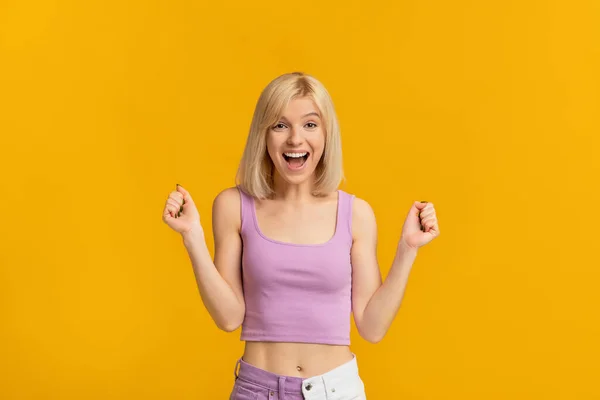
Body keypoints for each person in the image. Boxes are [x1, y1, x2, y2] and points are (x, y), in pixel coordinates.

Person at [162, 72, 440, 399]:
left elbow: (372, 326)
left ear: (326, 134)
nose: (295, 139)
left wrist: (408, 249)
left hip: (337, 391)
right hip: (257, 389)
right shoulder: (233, 206)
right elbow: (228, 317)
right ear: (263, 135)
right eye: (280, 125)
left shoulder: (357, 214)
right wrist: (192, 237)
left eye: (310, 124)